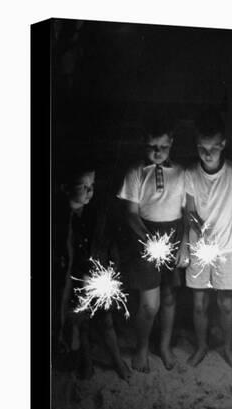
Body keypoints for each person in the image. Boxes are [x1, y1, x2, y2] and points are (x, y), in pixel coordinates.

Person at [117, 118, 188, 373]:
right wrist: (147, 239)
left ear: (171, 144)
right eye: (151, 146)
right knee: (150, 304)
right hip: (146, 236)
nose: (157, 152)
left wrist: (184, 246)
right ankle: (142, 347)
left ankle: (165, 346)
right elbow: (131, 213)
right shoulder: (136, 171)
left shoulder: (181, 172)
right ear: (143, 143)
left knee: (169, 297)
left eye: (163, 147)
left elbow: (186, 211)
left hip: (174, 235)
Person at [185, 110, 232, 372]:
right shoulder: (191, 173)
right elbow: (189, 210)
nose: (207, 153)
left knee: (225, 302)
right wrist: (198, 226)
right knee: (199, 302)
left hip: (229, 246)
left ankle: (227, 347)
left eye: (213, 148)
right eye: (202, 148)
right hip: (200, 249)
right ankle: (201, 346)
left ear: (223, 144)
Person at [54, 162, 130, 380]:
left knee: (105, 319)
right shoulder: (59, 219)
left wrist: (107, 268)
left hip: (96, 276)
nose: (89, 191)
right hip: (72, 282)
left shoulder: (94, 214)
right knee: (81, 322)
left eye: (92, 185)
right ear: (66, 187)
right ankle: (85, 361)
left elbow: (106, 243)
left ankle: (116, 359)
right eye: (82, 185)